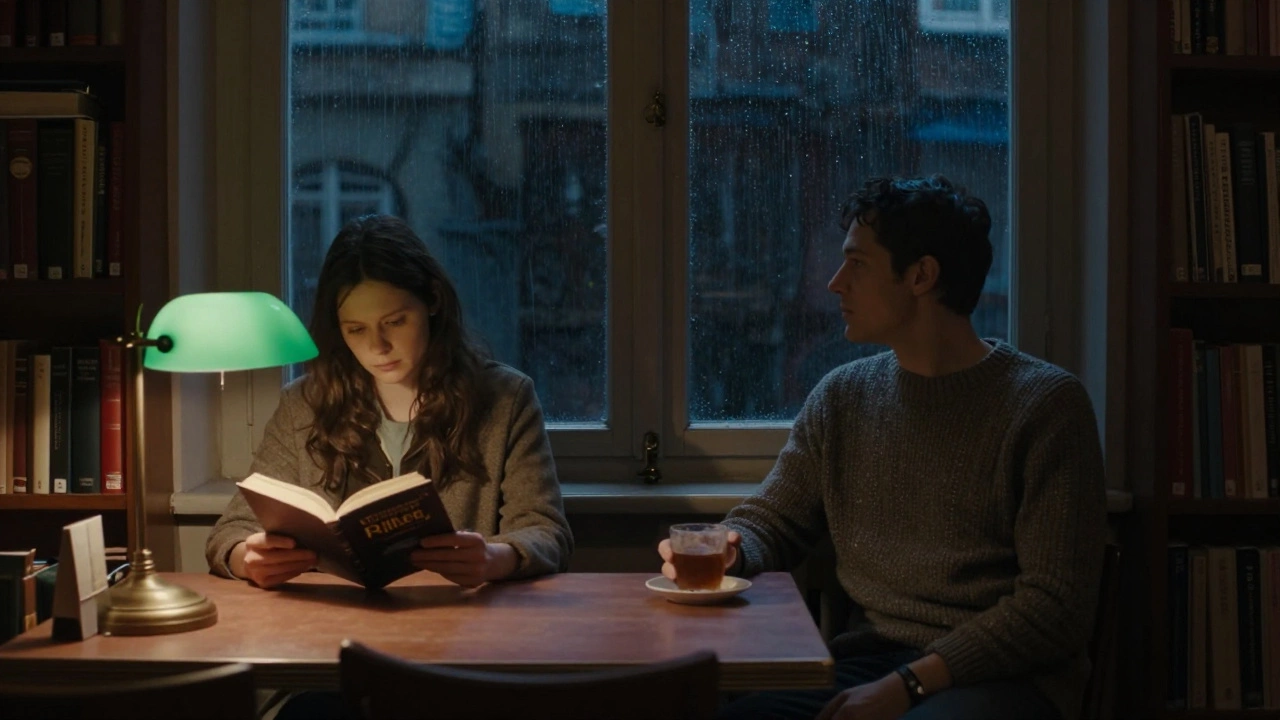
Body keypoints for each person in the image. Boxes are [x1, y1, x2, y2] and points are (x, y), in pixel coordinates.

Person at [658, 175, 1107, 720]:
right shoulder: (843, 396)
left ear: (921, 276)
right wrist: (727, 548)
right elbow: (773, 520)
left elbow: (1054, 608)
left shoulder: (1045, 406)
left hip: (1001, 677)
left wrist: (909, 686)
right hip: (869, 661)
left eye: (857, 264)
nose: (834, 283)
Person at [206, 214, 573, 590]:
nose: (377, 347)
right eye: (356, 330)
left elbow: (545, 531)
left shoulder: (505, 398)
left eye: (395, 322)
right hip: (329, 622)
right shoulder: (304, 404)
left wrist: (495, 558)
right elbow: (231, 532)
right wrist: (249, 559)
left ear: (432, 300)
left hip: (456, 620)